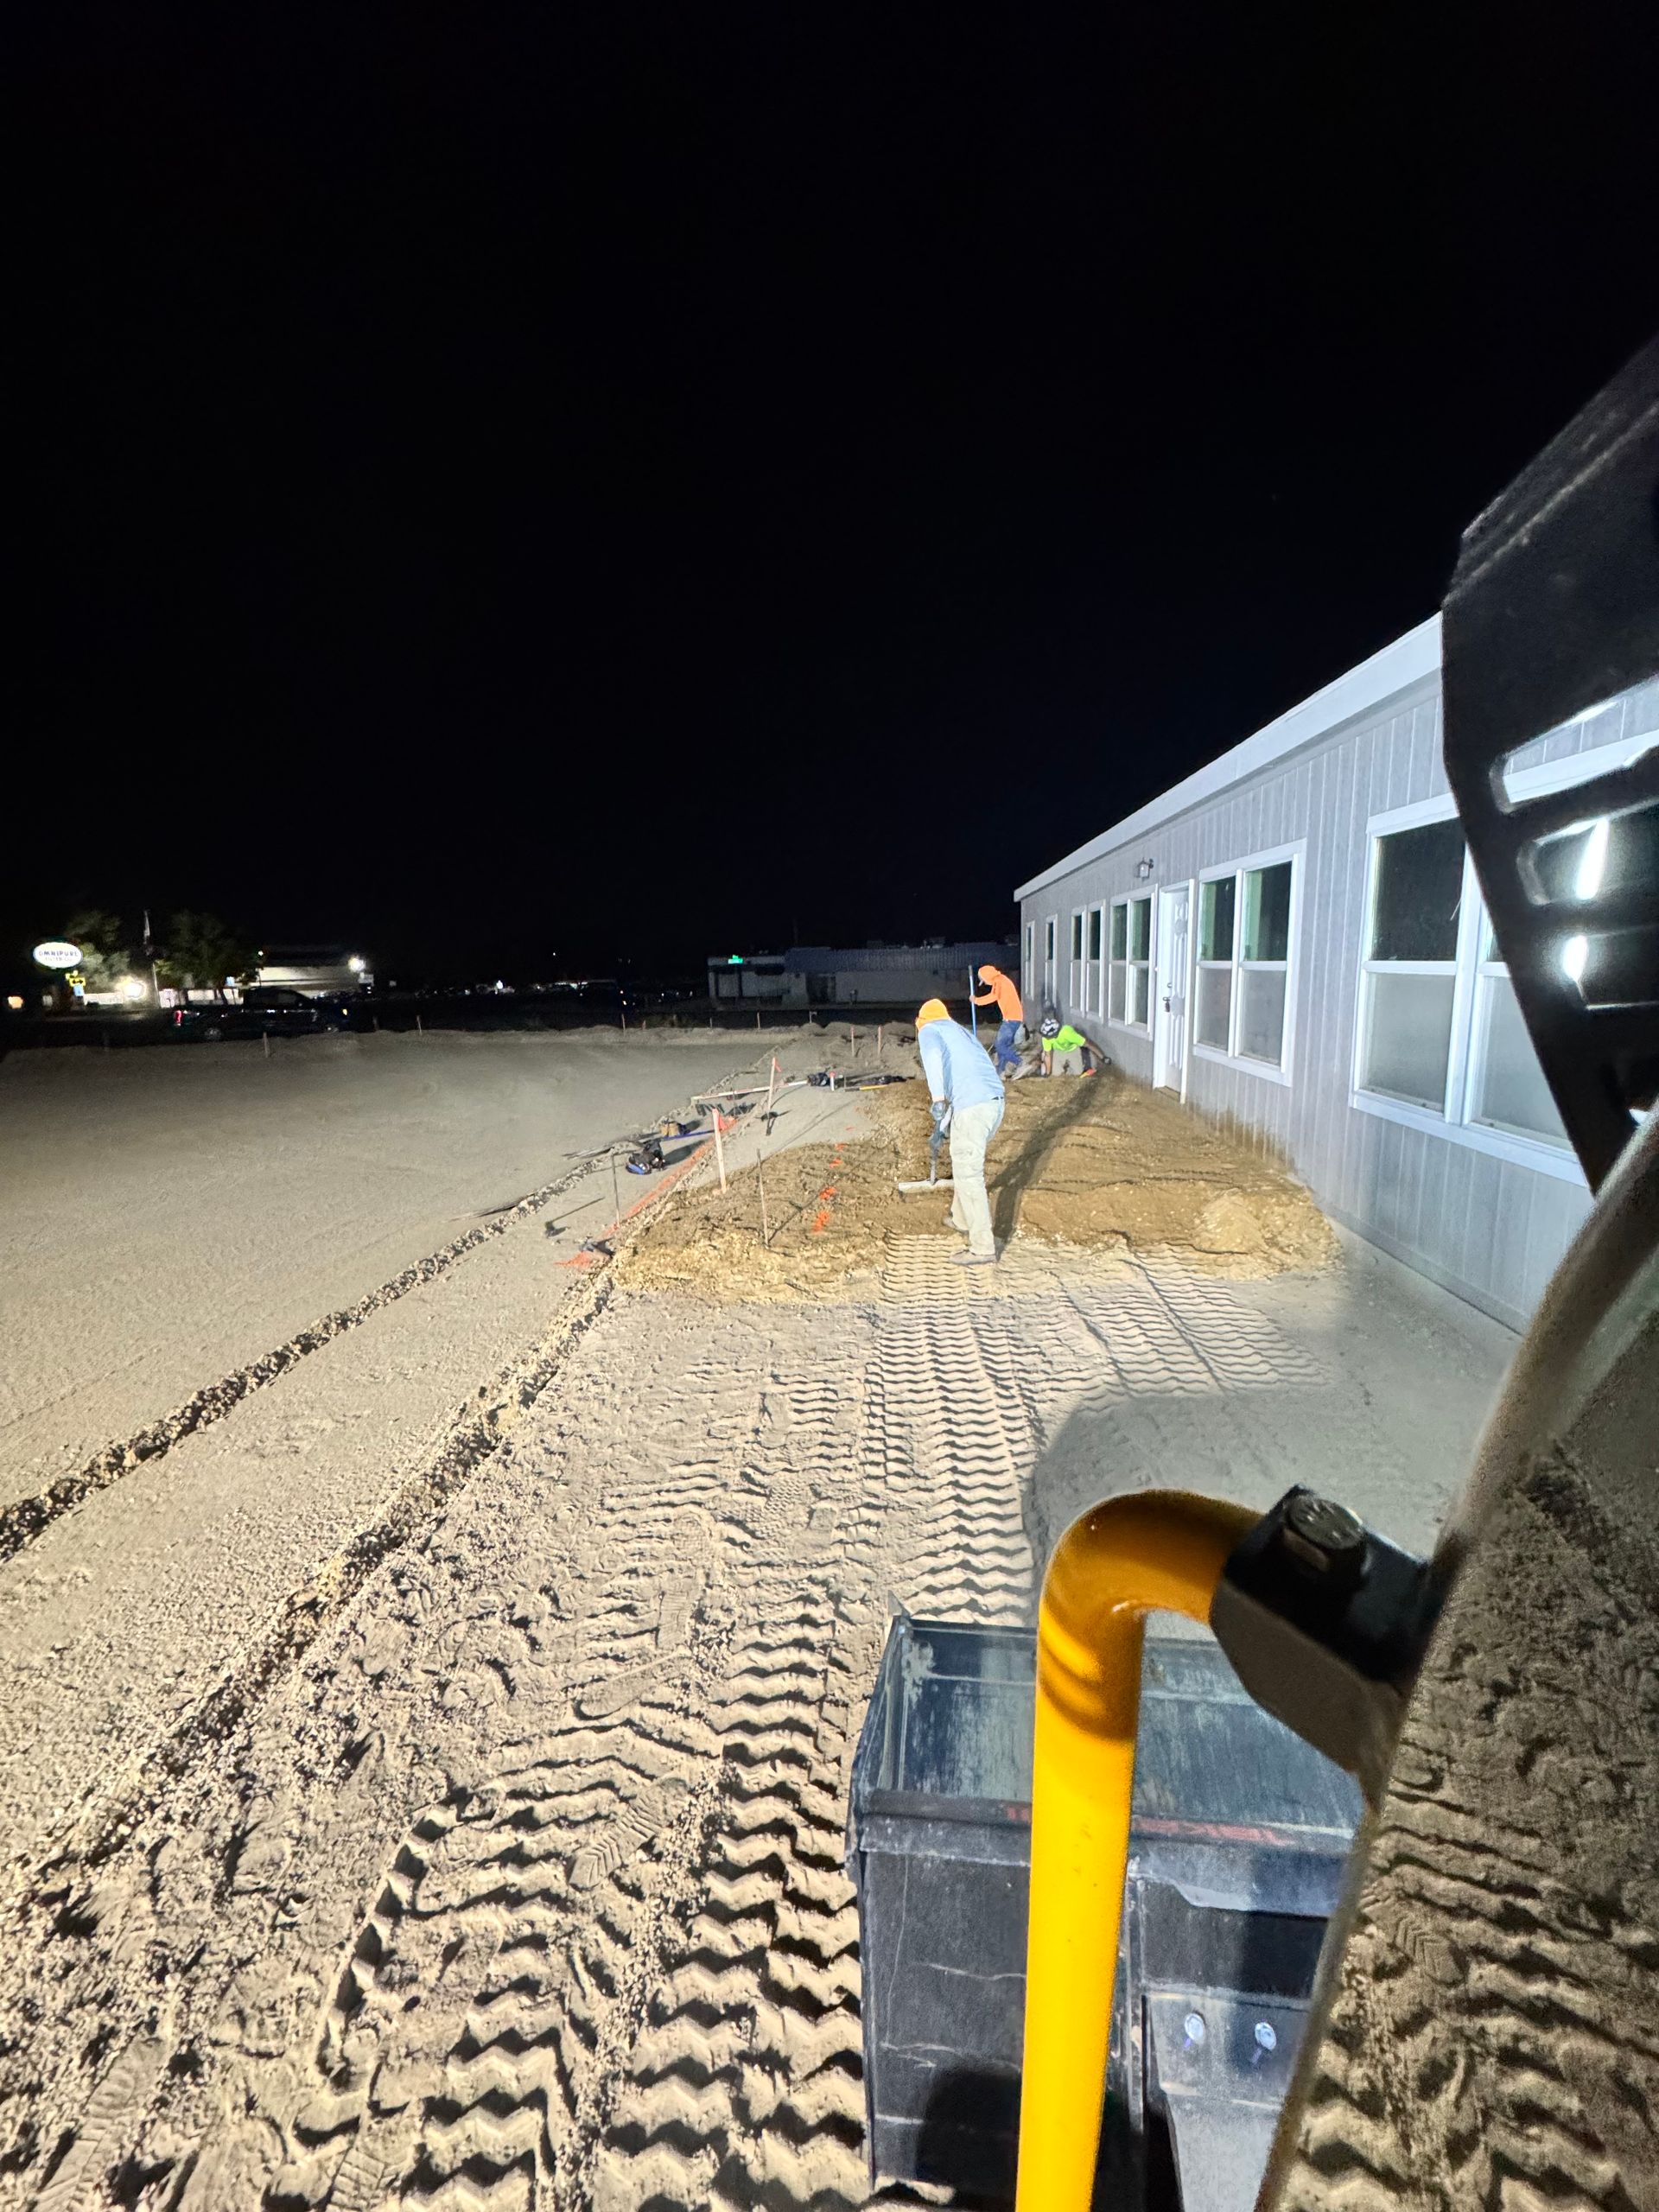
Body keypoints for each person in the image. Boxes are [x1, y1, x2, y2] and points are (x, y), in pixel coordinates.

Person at [916, 997, 1004, 1265]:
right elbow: (962, 1084)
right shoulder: (960, 1033)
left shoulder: (929, 1030)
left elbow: (932, 1058)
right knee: (963, 1162)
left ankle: (983, 1247)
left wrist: (937, 1099)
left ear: (921, 1022)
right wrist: (942, 1129)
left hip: (974, 1107)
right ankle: (961, 1218)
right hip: (993, 1104)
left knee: (969, 1174)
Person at [972, 963, 1025, 1077]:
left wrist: (976, 1000)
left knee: (1000, 1045)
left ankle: (1020, 1062)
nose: (985, 983)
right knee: (1003, 1046)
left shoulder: (1000, 981)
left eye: (984, 980)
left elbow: (993, 997)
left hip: (1012, 1018)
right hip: (1012, 1017)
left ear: (988, 976)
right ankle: (1000, 1072)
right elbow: (994, 995)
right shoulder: (1000, 981)